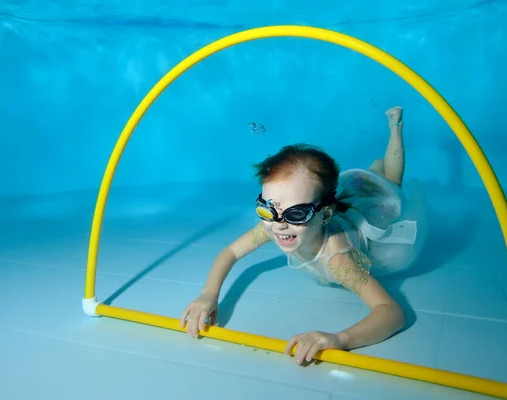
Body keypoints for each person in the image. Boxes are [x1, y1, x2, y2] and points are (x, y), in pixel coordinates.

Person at [180, 106, 427, 365]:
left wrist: (340, 339)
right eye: (267, 209)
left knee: (391, 184)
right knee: (375, 171)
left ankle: (395, 127)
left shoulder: (339, 263)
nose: (280, 225)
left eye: (296, 214)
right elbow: (230, 253)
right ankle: (377, 167)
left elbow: (391, 313)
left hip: (371, 215)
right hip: (339, 205)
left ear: (325, 215)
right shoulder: (273, 224)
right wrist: (208, 294)